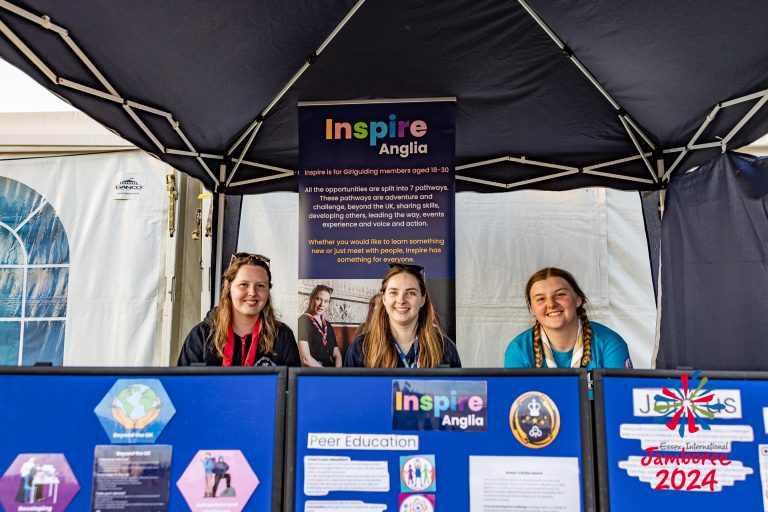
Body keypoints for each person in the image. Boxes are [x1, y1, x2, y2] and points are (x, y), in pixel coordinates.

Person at [177, 253, 300, 367]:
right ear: (228, 287)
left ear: (268, 290)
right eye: (244, 285)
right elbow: (183, 387)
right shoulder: (202, 335)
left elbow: (292, 388)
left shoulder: (282, 336)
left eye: (261, 286)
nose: (252, 293)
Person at [504, 267, 632, 369]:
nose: (551, 304)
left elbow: (620, 398)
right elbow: (516, 401)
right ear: (532, 309)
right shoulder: (519, 349)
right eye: (541, 299)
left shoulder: (610, 343)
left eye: (560, 294)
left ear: (578, 299)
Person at [344, 264, 461, 368]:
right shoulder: (361, 347)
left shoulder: (444, 347)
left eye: (411, 293)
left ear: (422, 299)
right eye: (394, 292)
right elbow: (349, 392)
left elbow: (456, 391)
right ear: (384, 299)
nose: (401, 300)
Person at [297, 285, 342, 367]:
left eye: (326, 301)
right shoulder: (302, 322)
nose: (322, 304)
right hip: (314, 375)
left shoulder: (327, 325)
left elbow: (337, 355)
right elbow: (305, 359)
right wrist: (327, 375)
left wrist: (336, 374)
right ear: (311, 299)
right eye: (318, 299)